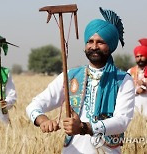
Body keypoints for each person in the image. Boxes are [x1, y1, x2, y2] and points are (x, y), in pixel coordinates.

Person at [26, 7, 135, 154]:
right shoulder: (70, 75)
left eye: (100, 42)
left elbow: (122, 121)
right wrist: (43, 120)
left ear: (110, 46)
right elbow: (34, 105)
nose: (94, 46)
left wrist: (84, 127)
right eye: (90, 41)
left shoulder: (123, 79)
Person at [127, 38, 147, 116]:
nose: (139, 58)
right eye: (137, 56)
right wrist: (136, 91)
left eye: (142, 56)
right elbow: (126, 89)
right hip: (135, 108)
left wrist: (144, 86)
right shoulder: (130, 71)